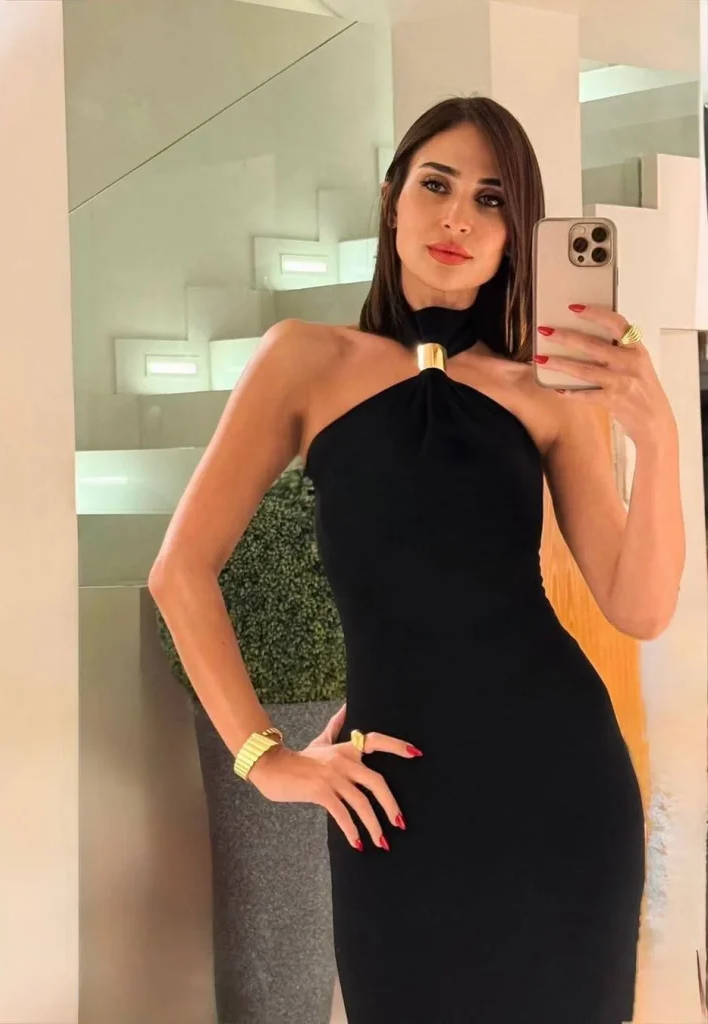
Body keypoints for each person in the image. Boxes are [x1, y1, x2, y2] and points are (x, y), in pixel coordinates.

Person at [149, 96, 685, 1023]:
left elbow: (637, 606)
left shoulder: (545, 395)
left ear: (514, 237)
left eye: (490, 200)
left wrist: (659, 437)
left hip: (560, 788)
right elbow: (180, 570)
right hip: (393, 801)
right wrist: (263, 757)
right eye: (436, 186)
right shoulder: (303, 361)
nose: (457, 218)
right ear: (391, 199)